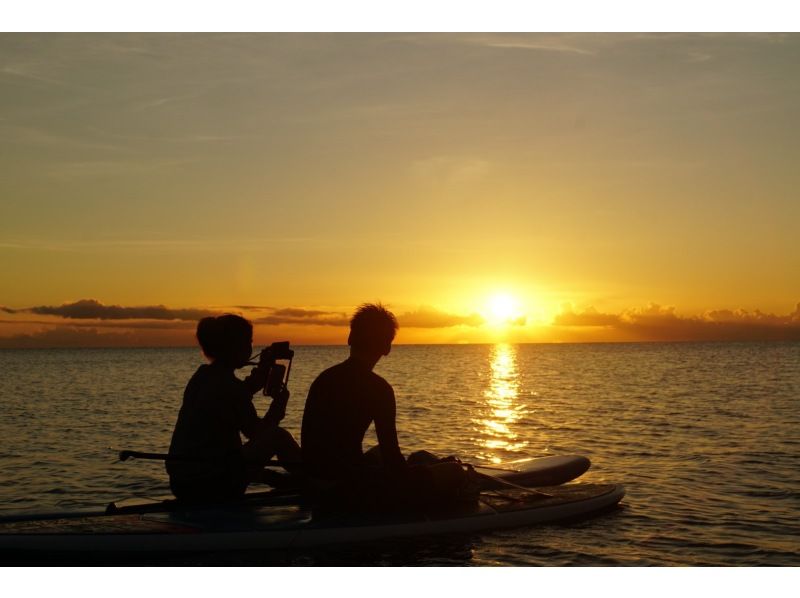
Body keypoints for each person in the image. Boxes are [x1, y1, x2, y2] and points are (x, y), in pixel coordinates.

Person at [301, 303, 473, 512]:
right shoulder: (379, 389)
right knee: (454, 471)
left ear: (350, 338)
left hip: (316, 482)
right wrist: (422, 473)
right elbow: (393, 461)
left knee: (401, 455)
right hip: (348, 492)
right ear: (387, 348)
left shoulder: (323, 379)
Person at [166, 314, 301, 503]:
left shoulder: (202, 377)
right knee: (278, 436)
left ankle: (285, 479)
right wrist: (277, 408)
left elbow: (232, 398)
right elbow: (256, 433)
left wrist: (259, 377)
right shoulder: (228, 386)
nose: (250, 348)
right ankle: (316, 480)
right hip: (210, 486)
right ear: (233, 347)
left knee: (241, 460)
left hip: (182, 484)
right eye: (248, 342)